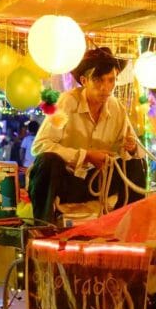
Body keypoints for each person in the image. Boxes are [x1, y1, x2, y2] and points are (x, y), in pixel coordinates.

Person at [28, 47, 146, 223]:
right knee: (46, 161)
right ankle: (44, 225)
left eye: (111, 80)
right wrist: (85, 156)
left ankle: (128, 225)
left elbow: (134, 150)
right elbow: (40, 146)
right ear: (84, 80)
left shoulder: (116, 108)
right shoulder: (66, 103)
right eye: (99, 80)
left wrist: (132, 148)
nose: (106, 88)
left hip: (98, 180)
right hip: (67, 180)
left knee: (136, 163)